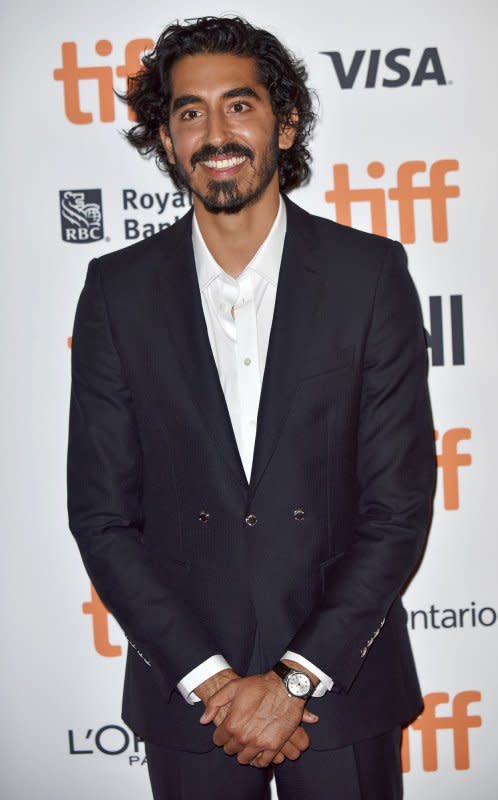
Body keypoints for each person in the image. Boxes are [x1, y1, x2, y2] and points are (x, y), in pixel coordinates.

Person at [66, 15, 435, 800]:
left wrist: (295, 681)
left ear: (285, 119)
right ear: (166, 139)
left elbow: (398, 506)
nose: (214, 132)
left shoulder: (368, 276)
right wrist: (212, 683)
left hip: (343, 694)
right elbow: (101, 514)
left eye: (239, 105)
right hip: (191, 703)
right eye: (189, 112)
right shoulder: (117, 292)